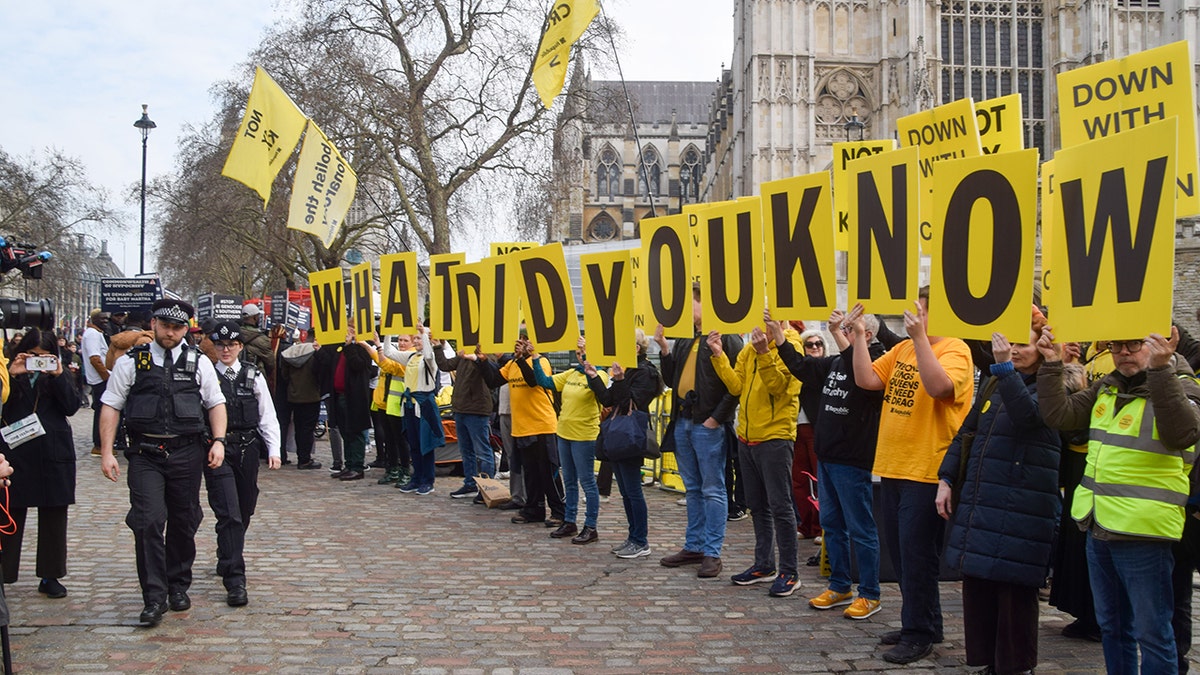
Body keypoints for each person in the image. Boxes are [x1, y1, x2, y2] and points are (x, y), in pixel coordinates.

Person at [1038, 325, 1200, 674]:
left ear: (1158, 343)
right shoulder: (1107, 386)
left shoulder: (1180, 382)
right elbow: (1059, 416)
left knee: (1152, 633)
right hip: (1100, 526)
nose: (1123, 352)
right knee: (1112, 626)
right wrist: (1051, 364)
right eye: (1116, 345)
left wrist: (1159, 369)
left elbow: (1183, 433)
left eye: (1134, 343)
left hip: (1145, 533)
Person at [846, 291, 974, 665]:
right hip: (895, 465)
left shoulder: (956, 349)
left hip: (928, 469)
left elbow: (939, 388)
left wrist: (920, 340)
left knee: (918, 556)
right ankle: (924, 623)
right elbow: (867, 379)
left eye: (923, 309)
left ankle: (919, 633)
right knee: (903, 555)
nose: (914, 315)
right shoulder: (902, 349)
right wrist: (857, 337)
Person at [934, 325, 1062, 675]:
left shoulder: (1053, 381)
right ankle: (989, 661)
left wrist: (1004, 367)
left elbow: (1029, 418)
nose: (1014, 349)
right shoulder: (995, 381)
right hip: (984, 494)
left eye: (1024, 343)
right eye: (1011, 342)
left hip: (1022, 499)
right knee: (979, 583)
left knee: (1013, 588)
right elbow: (968, 430)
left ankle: (1016, 665)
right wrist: (946, 478)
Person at [98, 299, 227, 627]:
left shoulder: (199, 362)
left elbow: (215, 402)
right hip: (145, 454)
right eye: (165, 325)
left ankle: (178, 584)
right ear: (153, 324)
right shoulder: (132, 362)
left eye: (178, 327)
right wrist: (109, 451)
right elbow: (111, 404)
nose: (171, 332)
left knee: (184, 522)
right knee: (148, 522)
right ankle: (153, 596)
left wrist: (220, 441)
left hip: (187, 452)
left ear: (186, 328)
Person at [770, 310, 887, 621]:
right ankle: (840, 585)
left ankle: (870, 593)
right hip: (828, 456)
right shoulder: (837, 361)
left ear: (867, 334)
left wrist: (843, 336)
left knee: (860, 528)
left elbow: (861, 377)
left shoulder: (875, 361)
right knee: (832, 526)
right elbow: (802, 367)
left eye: (849, 329)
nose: (841, 332)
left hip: (852, 459)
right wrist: (779, 335)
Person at [654, 283, 743, 579]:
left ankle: (712, 553)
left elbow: (736, 385)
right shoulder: (685, 339)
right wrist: (665, 349)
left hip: (707, 424)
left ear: (704, 304)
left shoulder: (726, 337)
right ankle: (694, 546)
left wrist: (716, 419)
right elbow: (671, 378)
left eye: (689, 303)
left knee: (713, 489)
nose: (684, 311)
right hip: (684, 421)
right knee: (692, 488)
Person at [709, 318, 803, 596]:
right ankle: (764, 564)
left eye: (766, 319)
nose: (760, 326)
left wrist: (764, 353)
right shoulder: (750, 349)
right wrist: (719, 357)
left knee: (780, 506)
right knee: (758, 506)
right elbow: (737, 387)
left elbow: (779, 387)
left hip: (775, 437)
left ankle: (790, 571)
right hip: (747, 437)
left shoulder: (791, 346)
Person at [202, 321, 282, 607]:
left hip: (247, 448)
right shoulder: (207, 375)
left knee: (245, 507)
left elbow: (266, 414)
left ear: (240, 347)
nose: (225, 350)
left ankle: (228, 551)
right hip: (217, 448)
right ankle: (235, 580)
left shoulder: (252, 375)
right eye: (220, 345)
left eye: (231, 345)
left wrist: (274, 448)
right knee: (229, 512)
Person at [0, 328, 81, 598]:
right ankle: (4, 571)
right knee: (9, 511)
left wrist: (58, 376)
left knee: (54, 514)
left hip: (52, 450)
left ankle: (51, 574)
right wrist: (13, 373)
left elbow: (71, 406)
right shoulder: (11, 373)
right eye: (33, 355)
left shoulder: (60, 374)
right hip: (16, 450)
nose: (38, 361)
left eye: (44, 357)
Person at [586, 329, 664, 558]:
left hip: (631, 436)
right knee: (626, 491)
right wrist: (593, 377)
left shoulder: (646, 372)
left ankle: (641, 540)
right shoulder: (628, 370)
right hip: (619, 436)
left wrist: (619, 381)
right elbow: (608, 399)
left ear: (636, 349)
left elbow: (632, 401)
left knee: (633, 490)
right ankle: (633, 537)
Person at [521, 336, 607, 544]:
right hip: (565, 433)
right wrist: (534, 357)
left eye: (583, 353)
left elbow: (600, 392)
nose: (580, 356)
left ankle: (591, 525)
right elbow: (545, 382)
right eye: (578, 353)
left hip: (584, 435)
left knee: (587, 481)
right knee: (568, 480)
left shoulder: (600, 375)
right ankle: (570, 520)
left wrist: (588, 358)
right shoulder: (570, 373)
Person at [499, 335, 564, 526]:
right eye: (519, 340)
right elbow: (493, 379)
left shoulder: (541, 361)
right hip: (522, 427)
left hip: (541, 425)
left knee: (548, 471)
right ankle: (533, 509)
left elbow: (533, 381)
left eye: (525, 341)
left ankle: (559, 512)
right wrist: (481, 361)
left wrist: (521, 359)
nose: (521, 344)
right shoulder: (512, 364)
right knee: (530, 473)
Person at [434, 338, 498, 502]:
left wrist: (476, 357)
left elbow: (490, 371)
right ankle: (470, 483)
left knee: (482, 451)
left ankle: (487, 488)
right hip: (460, 408)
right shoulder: (463, 355)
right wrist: (437, 346)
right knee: (466, 450)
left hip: (477, 409)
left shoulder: (486, 354)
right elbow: (445, 365)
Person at [314, 321, 375, 481]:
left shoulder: (363, 348)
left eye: (352, 329)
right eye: (348, 328)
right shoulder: (340, 347)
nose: (349, 331)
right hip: (339, 395)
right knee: (345, 431)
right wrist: (319, 350)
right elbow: (328, 363)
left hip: (354, 397)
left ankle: (357, 466)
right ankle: (348, 465)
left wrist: (350, 346)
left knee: (355, 432)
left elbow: (358, 365)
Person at [390, 326, 445, 495]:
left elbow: (429, 355)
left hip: (424, 405)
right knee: (413, 443)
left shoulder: (430, 358)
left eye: (418, 339)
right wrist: (384, 336)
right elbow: (389, 353)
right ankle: (416, 478)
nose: (416, 341)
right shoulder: (412, 356)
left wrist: (424, 334)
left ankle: (428, 480)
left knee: (425, 444)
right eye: (415, 339)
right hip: (409, 404)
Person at [792, 327, 826, 540]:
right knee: (799, 480)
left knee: (819, 479)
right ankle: (805, 524)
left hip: (816, 428)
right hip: (795, 428)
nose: (814, 348)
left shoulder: (826, 367)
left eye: (818, 344)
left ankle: (822, 526)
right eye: (810, 344)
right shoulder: (798, 369)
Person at [278, 335, 323, 470]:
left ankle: (299, 457)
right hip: (311, 396)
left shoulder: (291, 352)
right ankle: (304, 459)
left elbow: (285, 375)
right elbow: (320, 374)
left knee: (298, 428)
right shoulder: (315, 353)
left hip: (294, 395)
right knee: (307, 430)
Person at [81, 309, 110, 456]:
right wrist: (107, 377)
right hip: (100, 380)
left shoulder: (97, 333)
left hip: (101, 379)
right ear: (94, 319)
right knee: (101, 413)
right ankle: (98, 444)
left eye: (106, 319)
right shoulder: (92, 334)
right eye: (102, 319)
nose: (105, 321)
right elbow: (95, 359)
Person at [238, 304, 276, 383]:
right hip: (256, 378)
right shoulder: (262, 340)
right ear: (255, 317)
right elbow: (271, 363)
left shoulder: (236, 334)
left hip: (237, 376)